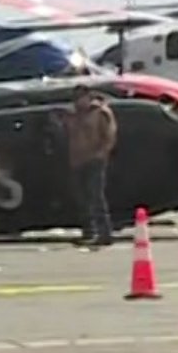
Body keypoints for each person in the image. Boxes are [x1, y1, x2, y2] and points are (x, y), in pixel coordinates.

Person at [62, 84, 118, 245]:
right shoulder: (73, 116)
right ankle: (89, 231)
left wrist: (101, 153)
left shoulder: (100, 113)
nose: (78, 102)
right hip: (77, 160)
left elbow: (109, 135)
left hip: (94, 159)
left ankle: (105, 233)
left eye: (81, 98)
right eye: (76, 99)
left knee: (96, 196)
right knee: (82, 197)